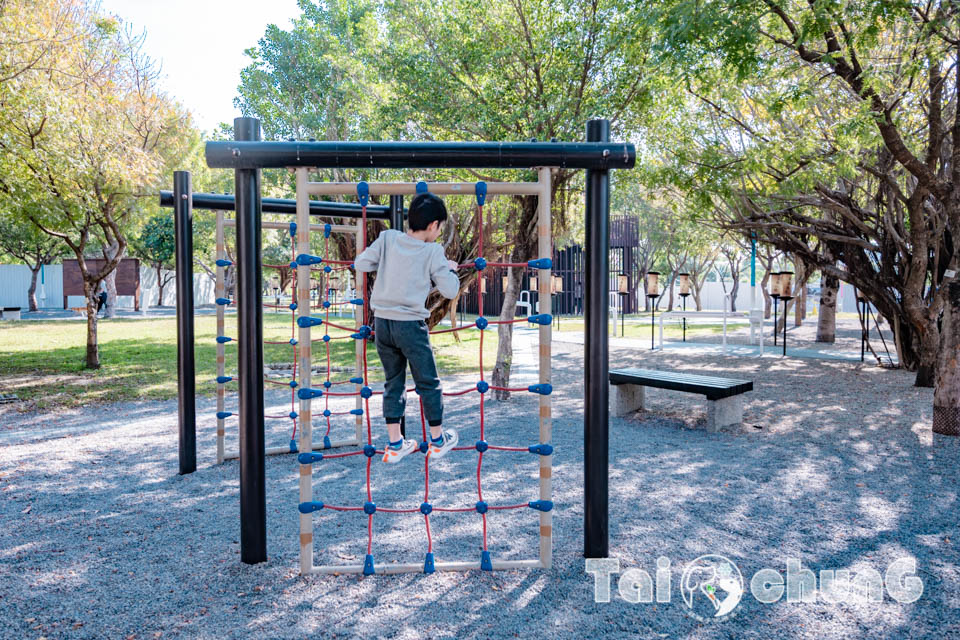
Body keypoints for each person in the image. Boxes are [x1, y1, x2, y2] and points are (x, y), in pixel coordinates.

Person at [354, 192, 461, 464]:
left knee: (394, 381)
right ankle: (437, 440)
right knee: (428, 381)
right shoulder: (432, 251)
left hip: (382, 324)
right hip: (410, 327)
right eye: (440, 228)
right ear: (434, 225)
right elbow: (450, 289)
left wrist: (388, 264)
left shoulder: (389, 239)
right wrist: (449, 269)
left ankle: (394, 443)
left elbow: (361, 263)